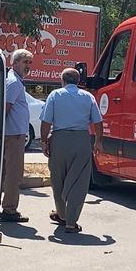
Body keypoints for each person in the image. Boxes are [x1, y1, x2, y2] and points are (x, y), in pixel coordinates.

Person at [39, 67, 103, 233]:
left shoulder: (55, 95)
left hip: (59, 140)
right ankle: (71, 221)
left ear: (62, 81)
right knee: (79, 181)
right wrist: (98, 142)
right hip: (81, 140)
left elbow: (46, 122)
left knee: (58, 179)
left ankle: (62, 214)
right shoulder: (88, 96)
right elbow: (98, 122)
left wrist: (44, 142)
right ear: (79, 81)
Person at [0, 49, 34, 223]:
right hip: (13, 136)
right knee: (13, 174)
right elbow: (6, 108)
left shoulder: (15, 81)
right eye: (25, 62)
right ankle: (9, 210)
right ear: (15, 63)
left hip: (13, 135)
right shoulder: (14, 82)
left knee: (5, 173)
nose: (28, 66)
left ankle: (2, 207)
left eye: (30, 63)